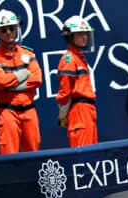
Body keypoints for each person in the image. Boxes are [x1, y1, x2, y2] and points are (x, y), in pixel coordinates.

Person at [0, 9, 42, 154]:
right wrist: (24, 73)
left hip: (29, 111)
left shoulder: (28, 53)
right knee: (9, 156)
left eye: (12, 28)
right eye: (3, 30)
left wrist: (12, 85)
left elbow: (37, 79)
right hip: (7, 112)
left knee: (34, 154)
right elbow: (1, 82)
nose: (8, 32)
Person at [56, 16, 98, 148]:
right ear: (69, 36)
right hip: (79, 112)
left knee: (93, 154)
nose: (85, 37)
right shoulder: (69, 60)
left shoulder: (80, 58)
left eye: (86, 33)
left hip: (88, 111)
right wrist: (63, 115)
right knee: (84, 155)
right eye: (80, 34)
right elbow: (64, 93)